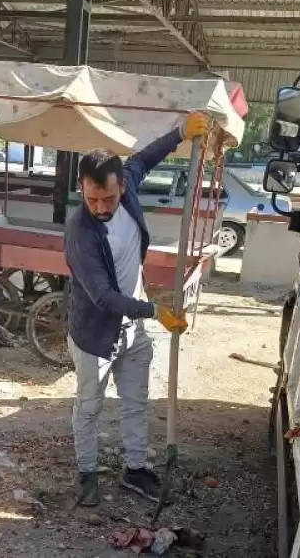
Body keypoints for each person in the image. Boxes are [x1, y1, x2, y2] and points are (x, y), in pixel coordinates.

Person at [64, 112, 210, 507]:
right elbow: (102, 297)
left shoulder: (126, 188)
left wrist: (180, 133)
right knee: (89, 406)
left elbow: (146, 157)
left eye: (108, 198)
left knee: (135, 402)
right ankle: (88, 473)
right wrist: (153, 310)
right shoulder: (80, 232)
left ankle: (135, 469)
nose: (100, 207)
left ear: (121, 186)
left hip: (133, 331)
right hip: (95, 335)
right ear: (82, 188)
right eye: (91, 198)